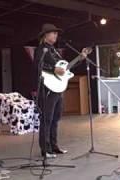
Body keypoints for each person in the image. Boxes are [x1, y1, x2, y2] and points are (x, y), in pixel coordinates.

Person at [33, 24, 87, 158]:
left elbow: (65, 69)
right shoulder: (41, 49)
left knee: (55, 118)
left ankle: (54, 146)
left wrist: (80, 58)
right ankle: (45, 149)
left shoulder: (54, 51)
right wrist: (53, 70)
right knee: (47, 118)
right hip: (48, 88)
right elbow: (37, 65)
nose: (55, 35)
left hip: (57, 88)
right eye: (53, 33)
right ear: (45, 35)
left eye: (56, 33)